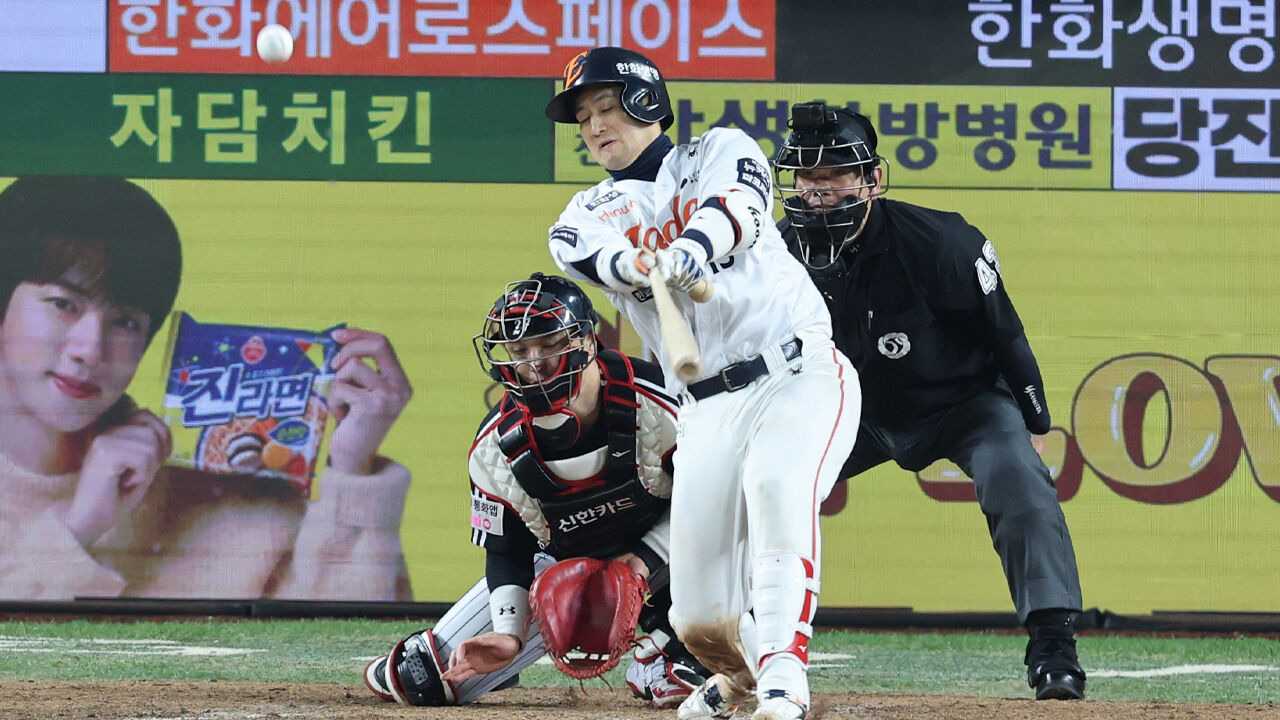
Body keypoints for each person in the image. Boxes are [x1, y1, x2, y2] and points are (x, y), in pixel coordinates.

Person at [543, 48, 861, 720]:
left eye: (606, 107)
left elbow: (738, 209)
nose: (594, 126)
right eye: (583, 117)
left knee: (777, 488)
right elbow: (589, 252)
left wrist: (690, 250)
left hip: (793, 369)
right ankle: (740, 678)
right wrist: (637, 264)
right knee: (697, 616)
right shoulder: (584, 211)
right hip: (707, 408)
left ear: (647, 103)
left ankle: (784, 680)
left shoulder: (720, 148)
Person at [770, 102, 1087, 700]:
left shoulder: (942, 242)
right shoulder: (771, 254)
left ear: (872, 179)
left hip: (960, 404)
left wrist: (1034, 420)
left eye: (834, 174)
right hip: (845, 409)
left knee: (1017, 476)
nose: (817, 190)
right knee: (759, 487)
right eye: (807, 176)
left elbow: (1004, 335)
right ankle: (722, 640)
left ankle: (1054, 647)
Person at [0, 175, 414, 601]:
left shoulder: (235, 502)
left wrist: (352, 472)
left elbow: (356, 638)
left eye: (125, 321)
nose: (90, 350)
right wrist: (77, 531)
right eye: (63, 304)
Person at [362, 273, 709, 708]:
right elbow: (507, 550)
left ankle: (670, 651)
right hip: (566, 573)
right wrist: (509, 634)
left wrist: (641, 562)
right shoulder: (493, 449)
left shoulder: (664, 403)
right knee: (420, 679)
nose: (534, 363)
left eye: (549, 344)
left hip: (675, 551)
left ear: (587, 342)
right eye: (520, 350)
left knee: (752, 548)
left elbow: (717, 502)